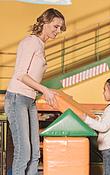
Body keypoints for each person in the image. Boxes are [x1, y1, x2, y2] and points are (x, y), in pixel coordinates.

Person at [4, 8, 66, 175]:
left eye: (60, 28)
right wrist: (44, 89)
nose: (58, 31)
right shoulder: (30, 42)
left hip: (29, 100)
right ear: (44, 23)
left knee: (34, 154)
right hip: (17, 98)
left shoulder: (40, 45)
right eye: (55, 26)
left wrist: (47, 90)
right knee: (24, 152)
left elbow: (32, 78)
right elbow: (20, 75)